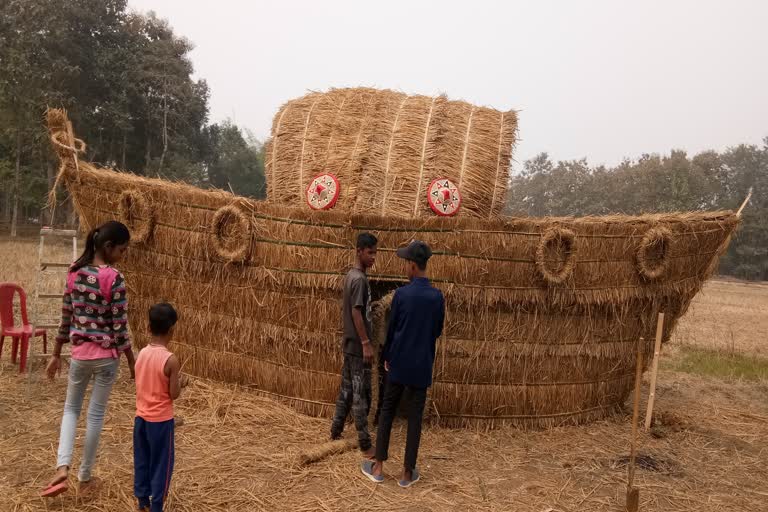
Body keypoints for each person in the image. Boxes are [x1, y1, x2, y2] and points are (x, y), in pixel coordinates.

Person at [42, 221, 135, 498]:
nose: (122, 255)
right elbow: (120, 325)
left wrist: (57, 353)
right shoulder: (114, 278)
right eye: (122, 249)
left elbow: (65, 316)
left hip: (80, 355)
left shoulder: (74, 272)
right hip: (106, 358)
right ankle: (84, 478)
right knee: (94, 416)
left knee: (71, 410)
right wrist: (131, 360)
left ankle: (62, 467)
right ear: (108, 247)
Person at [361, 240, 445, 488]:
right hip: (421, 366)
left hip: (397, 364)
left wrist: (387, 358)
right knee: (415, 418)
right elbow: (437, 331)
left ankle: (378, 468)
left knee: (387, 411)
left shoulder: (401, 295)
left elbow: (391, 328)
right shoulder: (437, 297)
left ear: (412, 266)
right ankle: (407, 474)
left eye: (405, 263)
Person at [133, 302, 188, 512]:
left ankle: (142, 502)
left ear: (149, 328)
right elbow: (172, 394)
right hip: (161, 422)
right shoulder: (170, 360)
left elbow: (144, 382)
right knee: (162, 463)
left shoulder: (141, 354)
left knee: (142, 459)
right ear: (172, 330)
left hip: (140, 419)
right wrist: (180, 382)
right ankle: (156, 505)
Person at [330, 232, 378, 458]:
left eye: (375, 253)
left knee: (347, 389)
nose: (373, 257)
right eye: (370, 253)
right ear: (359, 251)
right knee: (359, 393)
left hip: (350, 344)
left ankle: (335, 430)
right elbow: (356, 312)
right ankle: (365, 443)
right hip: (358, 347)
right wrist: (366, 343)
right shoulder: (359, 279)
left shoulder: (351, 275)